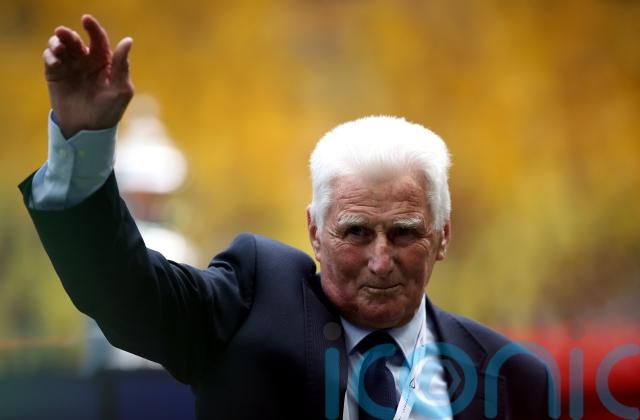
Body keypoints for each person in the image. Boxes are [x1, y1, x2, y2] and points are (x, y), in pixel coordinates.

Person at [20, 15, 553, 420]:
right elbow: (121, 290)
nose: (380, 260)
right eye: (356, 232)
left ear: (443, 236)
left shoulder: (514, 379)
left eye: (404, 233)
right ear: (315, 232)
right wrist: (84, 142)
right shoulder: (251, 304)